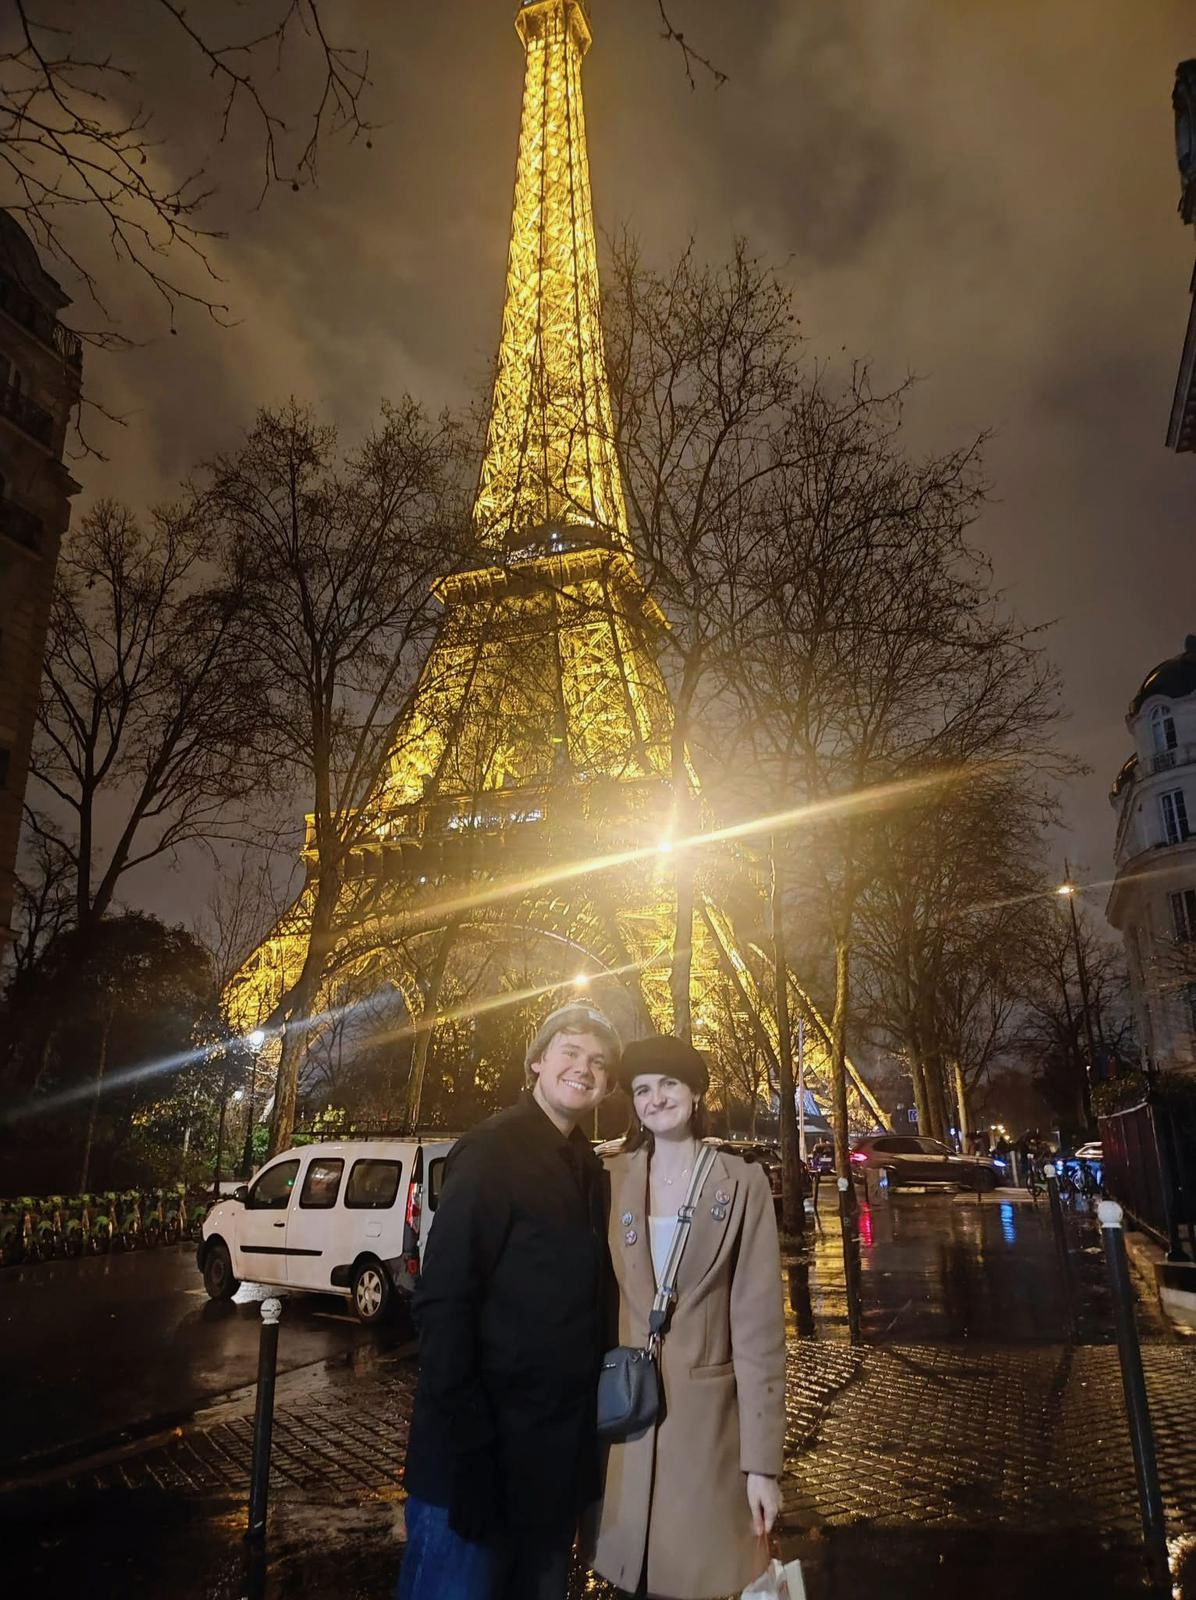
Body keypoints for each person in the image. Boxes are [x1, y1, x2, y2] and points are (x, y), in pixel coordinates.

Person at [398, 1002, 620, 1600]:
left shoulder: (590, 1171)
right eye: (570, 1052)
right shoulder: (492, 1151)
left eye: (598, 1061)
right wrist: (468, 1440)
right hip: (479, 1454)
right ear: (537, 1063)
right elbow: (442, 1300)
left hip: (551, 1466)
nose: (583, 1067)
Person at [588, 1036, 786, 1600]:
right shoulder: (611, 1179)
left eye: (670, 1084)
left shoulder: (741, 1183)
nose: (656, 1099)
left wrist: (763, 1465)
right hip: (626, 1429)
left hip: (707, 1439)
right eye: (643, 1089)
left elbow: (758, 1329)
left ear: (697, 1093)